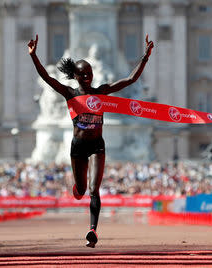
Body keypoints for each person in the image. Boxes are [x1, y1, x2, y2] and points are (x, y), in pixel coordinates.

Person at [28, 34, 154, 247]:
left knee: (95, 190)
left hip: (97, 146)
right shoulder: (69, 94)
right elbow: (47, 79)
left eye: (90, 73)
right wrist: (34, 56)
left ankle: (93, 231)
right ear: (76, 76)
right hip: (78, 147)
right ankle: (77, 188)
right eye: (83, 74)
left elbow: (130, 80)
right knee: (82, 189)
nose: (88, 76)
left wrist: (145, 57)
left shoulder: (101, 92)